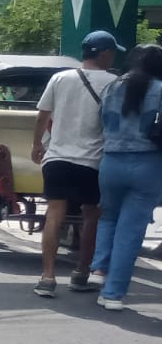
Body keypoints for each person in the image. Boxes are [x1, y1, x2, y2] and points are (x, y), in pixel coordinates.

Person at [30, 31, 122, 297]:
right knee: (91, 215)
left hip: (57, 158)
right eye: (112, 52)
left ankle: (47, 277)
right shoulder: (114, 83)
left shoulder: (59, 78)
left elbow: (42, 115)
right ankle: (81, 273)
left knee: (54, 214)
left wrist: (37, 144)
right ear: (104, 53)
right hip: (93, 161)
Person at [89, 44, 162, 311]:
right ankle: (113, 294)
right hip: (149, 164)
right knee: (130, 232)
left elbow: (101, 121)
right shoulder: (160, 89)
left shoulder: (112, 87)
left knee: (108, 217)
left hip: (111, 161)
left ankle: (98, 270)